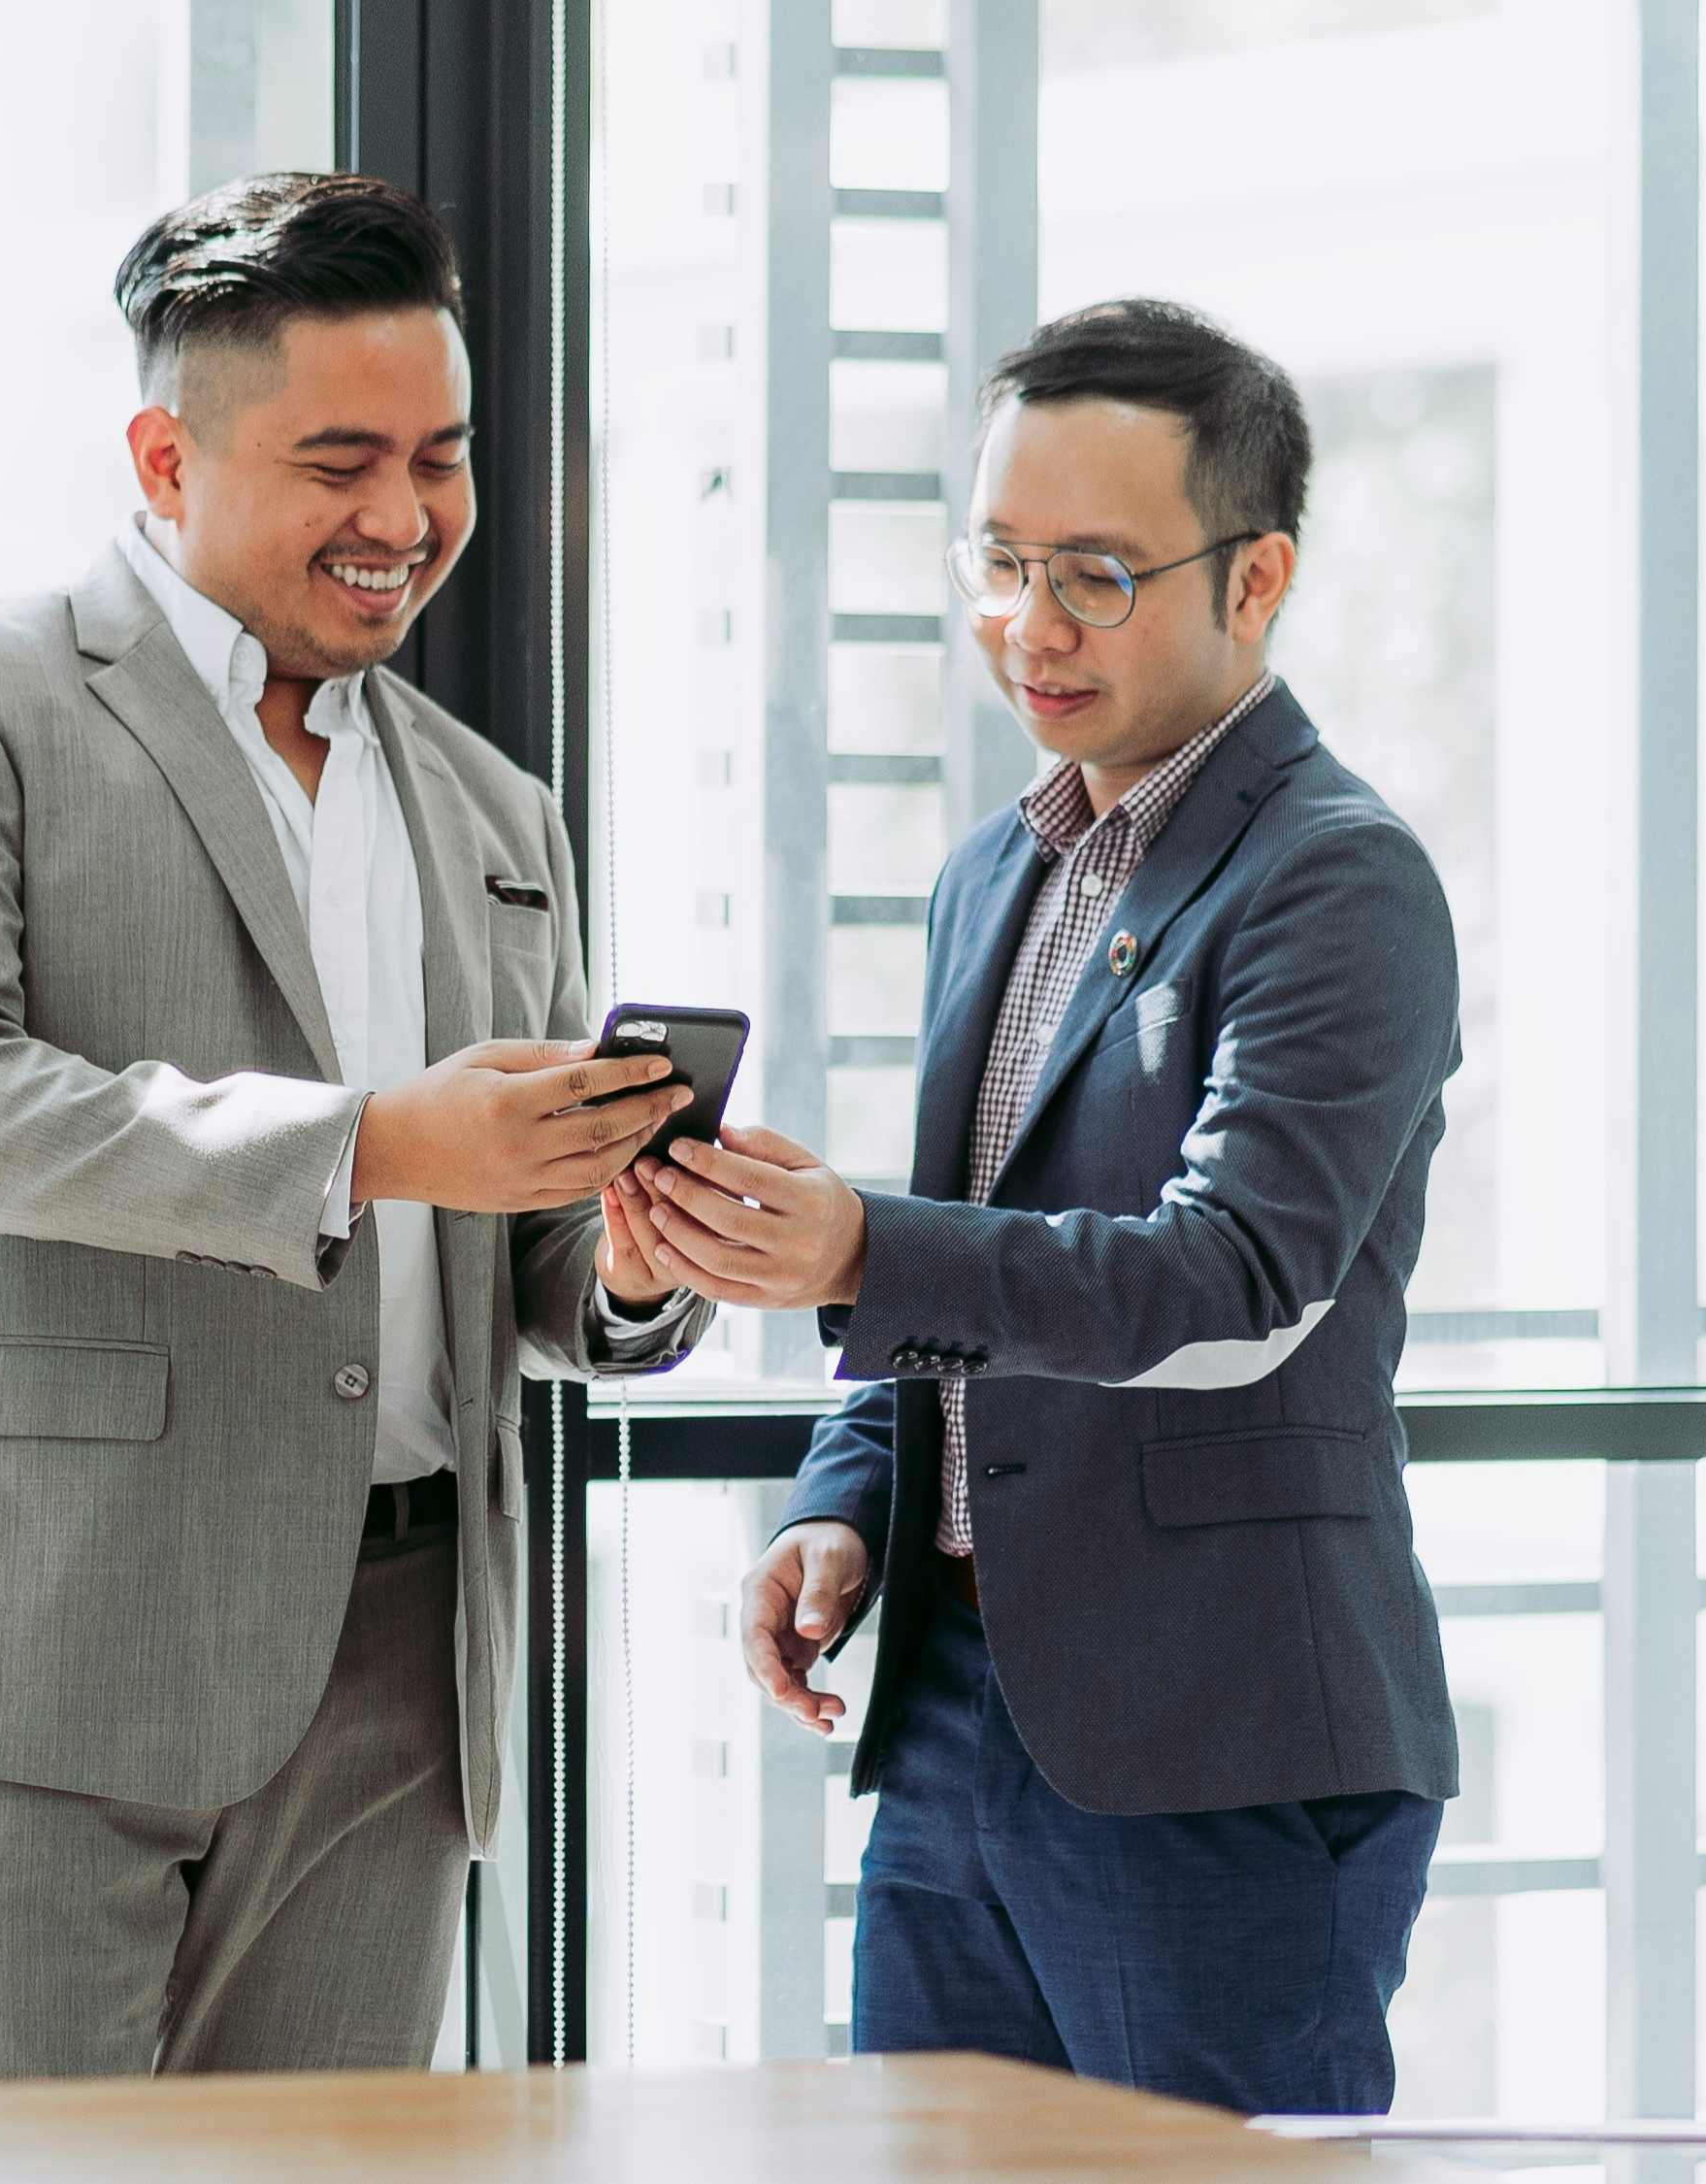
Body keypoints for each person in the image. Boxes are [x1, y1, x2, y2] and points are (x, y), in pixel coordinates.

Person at [0, 172, 708, 2085]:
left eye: (437, 457)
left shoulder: (494, 809)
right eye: (336, 458)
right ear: (162, 456)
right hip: (31, 1635)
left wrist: (613, 1259)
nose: (404, 517)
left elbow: (497, 1250)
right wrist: (365, 1144)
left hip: (401, 1672)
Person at [614, 299, 1461, 2115]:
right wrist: (849, 1500)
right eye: (998, 561)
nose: (1029, 624)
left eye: (1093, 570)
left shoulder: (1338, 879)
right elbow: (974, 1254)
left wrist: (853, 1245)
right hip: (952, 1714)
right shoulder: (998, 869)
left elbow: (1233, 1280)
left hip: (1214, 1742)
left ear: (1259, 579)